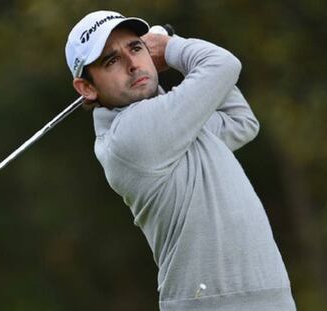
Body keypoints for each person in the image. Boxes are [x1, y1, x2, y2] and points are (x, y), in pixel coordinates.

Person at [65, 10, 296, 310]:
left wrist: (167, 47)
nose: (133, 65)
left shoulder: (172, 123)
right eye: (111, 61)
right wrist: (171, 47)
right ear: (87, 88)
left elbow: (239, 121)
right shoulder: (130, 137)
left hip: (269, 298)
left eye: (136, 48)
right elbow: (223, 65)